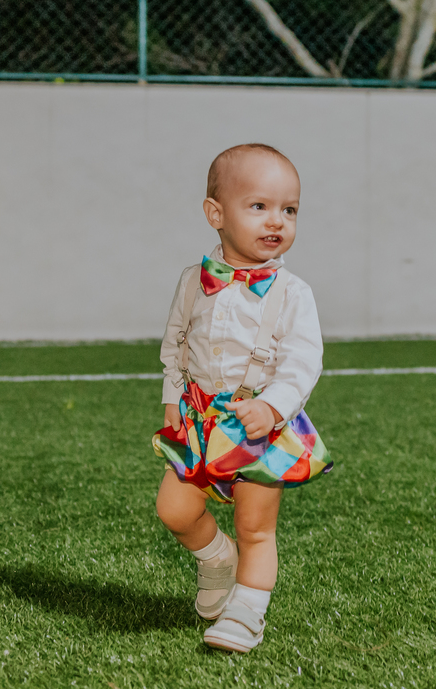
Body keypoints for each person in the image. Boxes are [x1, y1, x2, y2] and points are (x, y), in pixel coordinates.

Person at [152, 143, 333, 653]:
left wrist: (273, 405)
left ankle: (247, 612)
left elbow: (303, 361)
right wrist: (174, 394)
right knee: (175, 510)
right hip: (200, 420)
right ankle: (216, 560)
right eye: (259, 206)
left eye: (289, 209)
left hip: (261, 424)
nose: (277, 220)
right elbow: (176, 344)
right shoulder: (193, 282)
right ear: (216, 214)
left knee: (255, 526)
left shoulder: (293, 293)